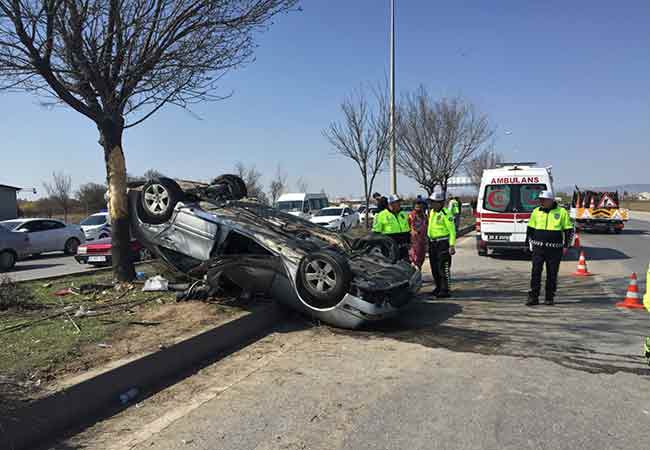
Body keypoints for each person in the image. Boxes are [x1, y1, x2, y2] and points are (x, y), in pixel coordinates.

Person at [525, 190, 574, 306]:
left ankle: (549, 297)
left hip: (554, 249)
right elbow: (530, 229)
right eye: (540, 200)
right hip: (538, 249)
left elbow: (569, 230)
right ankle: (533, 297)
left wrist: (567, 245)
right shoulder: (536, 211)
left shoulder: (562, 212)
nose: (541, 202)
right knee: (535, 272)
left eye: (544, 200)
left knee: (552, 274)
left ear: (551, 200)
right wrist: (527, 243)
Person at [428, 192, 456, 298]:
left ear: (440, 203)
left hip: (443, 243)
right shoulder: (431, 212)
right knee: (434, 267)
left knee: (443, 267)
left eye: (434, 202)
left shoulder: (446, 213)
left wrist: (452, 245)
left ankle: (445, 290)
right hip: (432, 243)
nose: (432, 204)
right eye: (431, 202)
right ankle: (438, 287)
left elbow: (452, 230)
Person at [372, 194, 411, 260]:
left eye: (399, 202)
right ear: (391, 204)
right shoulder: (382, 215)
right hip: (390, 248)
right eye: (397, 202)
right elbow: (376, 233)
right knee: (393, 267)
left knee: (405, 266)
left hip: (403, 247)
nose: (399, 204)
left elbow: (407, 229)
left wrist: (409, 242)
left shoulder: (403, 214)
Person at [408, 199, 429, 269]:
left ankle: (418, 272)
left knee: (421, 258)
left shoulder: (424, 216)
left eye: (420, 207)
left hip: (422, 240)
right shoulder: (411, 216)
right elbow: (409, 227)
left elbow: (427, 226)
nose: (418, 208)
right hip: (414, 241)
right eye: (417, 206)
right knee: (414, 259)